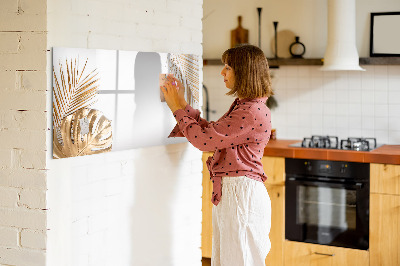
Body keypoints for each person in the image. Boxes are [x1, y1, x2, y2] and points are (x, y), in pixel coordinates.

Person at [161, 44, 273, 266]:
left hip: (241, 195)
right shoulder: (246, 106)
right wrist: (182, 103)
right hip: (236, 193)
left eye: (228, 67)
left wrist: (176, 108)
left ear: (244, 72)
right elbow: (212, 133)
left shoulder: (250, 111)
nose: (222, 72)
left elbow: (204, 141)